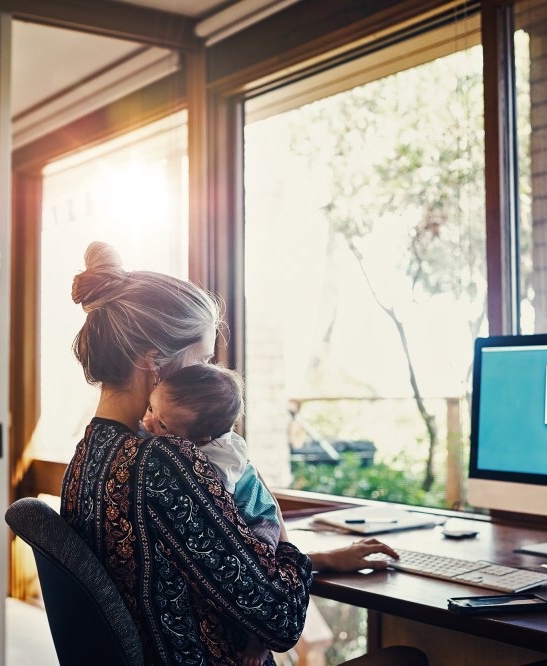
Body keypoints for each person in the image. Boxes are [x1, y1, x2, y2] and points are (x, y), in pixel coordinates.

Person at [62, 241, 425, 666]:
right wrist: (280, 530)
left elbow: (204, 567)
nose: (210, 378)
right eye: (203, 362)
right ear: (155, 364)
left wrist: (319, 560)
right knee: (408, 659)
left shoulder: (87, 459)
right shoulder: (164, 462)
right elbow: (282, 621)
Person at [142, 363, 278, 666]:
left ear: (200, 438)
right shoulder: (182, 433)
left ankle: (261, 641)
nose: (148, 421)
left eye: (162, 425)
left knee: (261, 571)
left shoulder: (221, 457)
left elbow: (215, 498)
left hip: (258, 517)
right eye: (150, 407)